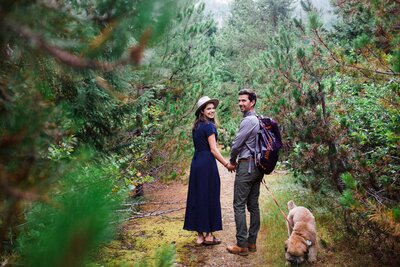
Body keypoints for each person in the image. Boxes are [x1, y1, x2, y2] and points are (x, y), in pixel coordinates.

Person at [183, 96, 232, 245]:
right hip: (207, 164)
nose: (212, 111)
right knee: (209, 195)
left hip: (196, 162)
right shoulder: (210, 126)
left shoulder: (196, 126)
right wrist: (226, 164)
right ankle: (209, 235)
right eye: (208, 109)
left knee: (197, 195)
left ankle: (199, 236)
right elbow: (213, 149)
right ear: (202, 111)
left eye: (213, 108)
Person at [226, 89, 263, 256]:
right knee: (253, 205)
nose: (240, 103)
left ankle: (242, 245)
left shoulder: (248, 121)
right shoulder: (259, 120)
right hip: (257, 168)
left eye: (244, 101)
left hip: (246, 166)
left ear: (252, 102)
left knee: (239, 205)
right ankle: (252, 243)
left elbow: (236, 145)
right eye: (239, 101)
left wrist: (232, 161)